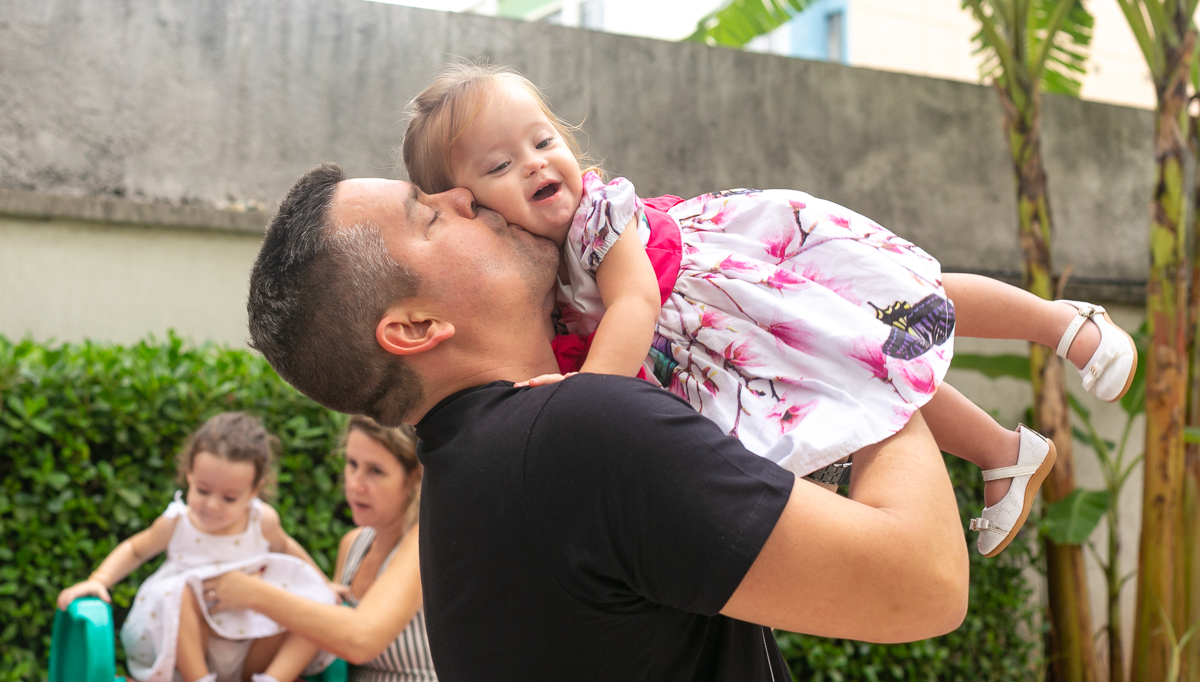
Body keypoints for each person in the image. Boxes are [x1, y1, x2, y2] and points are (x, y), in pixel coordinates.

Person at [244, 162, 970, 680]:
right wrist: (851, 349)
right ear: (416, 325)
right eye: (429, 215)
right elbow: (925, 583)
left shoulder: (475, 477)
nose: (465, 192)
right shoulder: (576, 434)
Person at [398, 62, 1139, 558]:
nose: (534, 162)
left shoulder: (596, 214)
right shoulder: (541, 281)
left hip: (747, 277)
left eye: (542, 139)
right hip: (730, 340)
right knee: (867, 380)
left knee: (905, 298)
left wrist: (585, 394)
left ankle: (1062, 321)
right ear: (467, 205)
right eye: (499, 165)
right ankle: (1001, 452)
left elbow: (635, 298)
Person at [56, 412, 336, 682]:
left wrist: (323, 584)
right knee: (179, 591)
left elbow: (287, 548)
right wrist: (99, 580)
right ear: (189, 474)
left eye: (229, 498)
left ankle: (275, 678)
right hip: (193, 648)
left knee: (315, 605)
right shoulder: (177, 523)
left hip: (251, 643)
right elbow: (135, 550)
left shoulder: (261, 521)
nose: (212, 505)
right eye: (203, 490)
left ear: (253, 491)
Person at [200, 415, 435, 682]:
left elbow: (360, 640)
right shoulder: (353, 544)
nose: (355, 484)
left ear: (414, 478)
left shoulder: (422, 542)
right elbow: (328, 638)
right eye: (352, 464)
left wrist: (253, 593)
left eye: (375, 471)